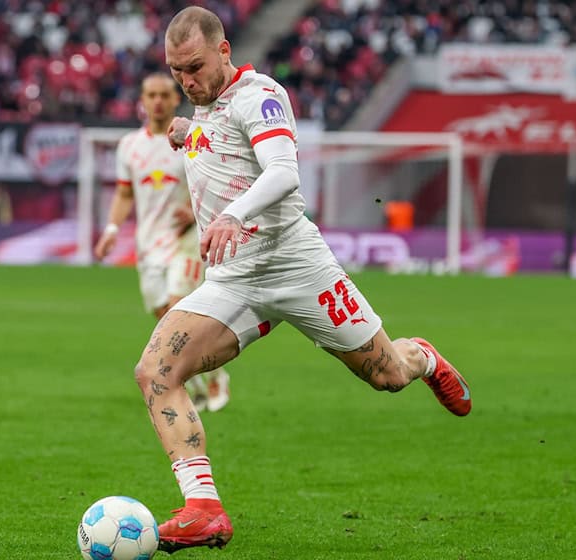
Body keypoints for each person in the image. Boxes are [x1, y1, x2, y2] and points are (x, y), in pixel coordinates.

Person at [136, 7, 472, 553]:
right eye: (176, 72)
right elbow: (217, 139)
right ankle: (203, 508)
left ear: (224, 52)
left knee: (386, 376)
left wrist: (231, 216)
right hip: (234, 279)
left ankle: (423, 358)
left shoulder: (261, 94)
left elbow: (282, 172)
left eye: (194, 67)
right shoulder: (205, 109)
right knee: (155, 373)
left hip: (298, 266)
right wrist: (186, 130)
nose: (186, 81)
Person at [95, 72, 231, 413]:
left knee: (176, 308)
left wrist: (195, 209)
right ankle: (201, 383)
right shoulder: (130, 145)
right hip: (148, 245)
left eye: (163, 95)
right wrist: (112, 229)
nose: (157, 101)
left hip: (186, 242)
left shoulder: (192, 138)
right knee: (163, 318)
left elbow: (218, 180)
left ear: (175, 99)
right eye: (150, 94)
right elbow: (125, 193)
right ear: (142, 100)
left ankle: (211, 378)